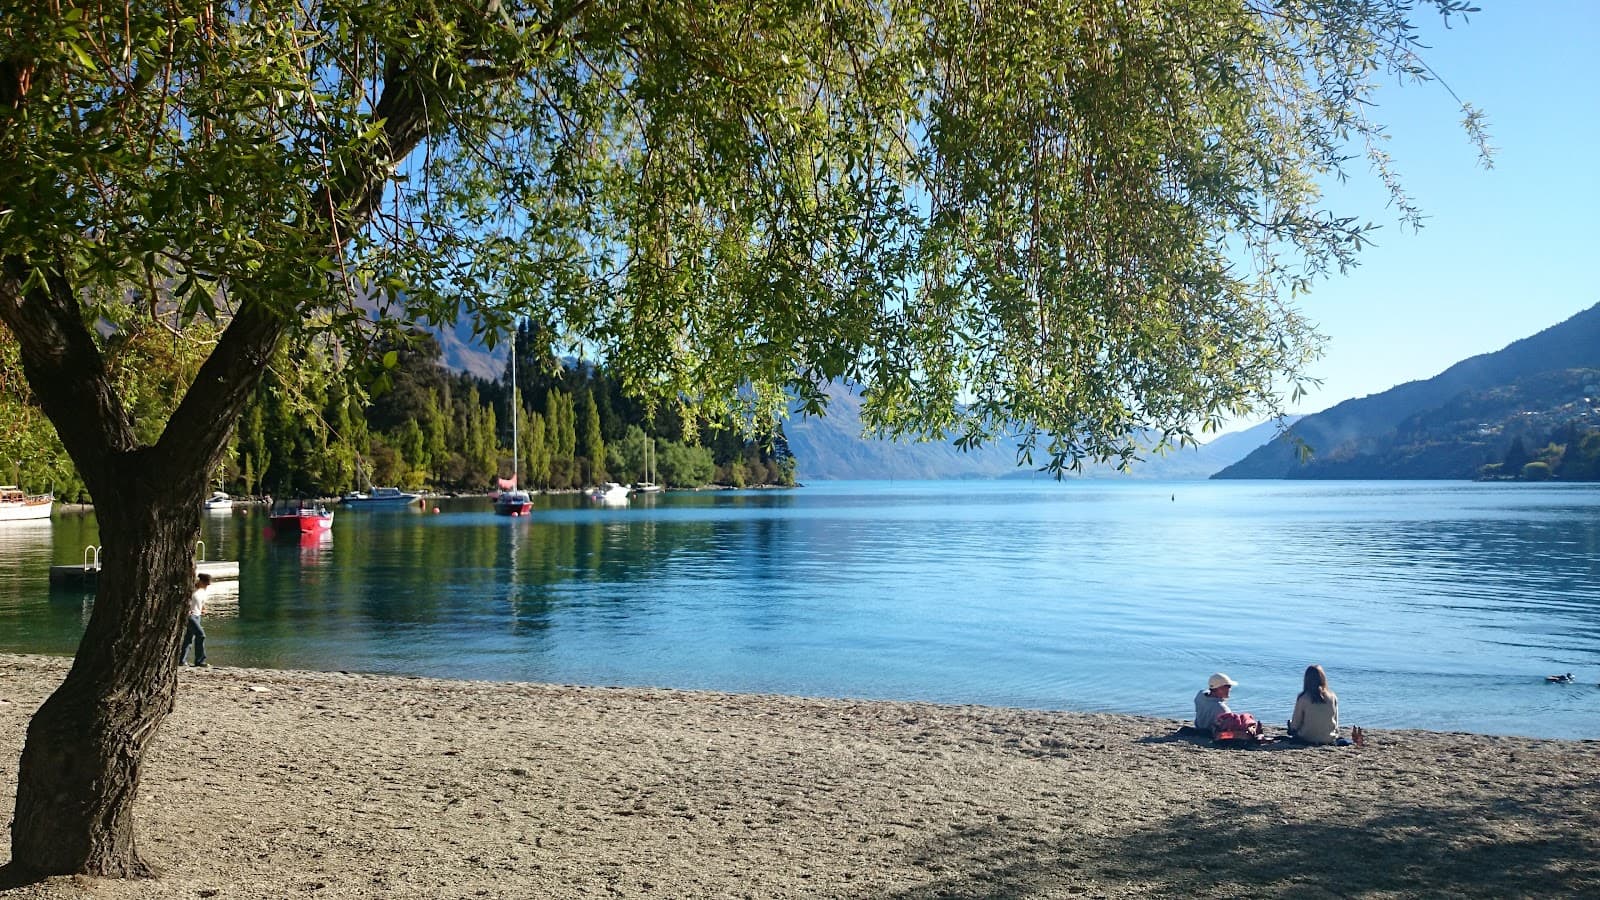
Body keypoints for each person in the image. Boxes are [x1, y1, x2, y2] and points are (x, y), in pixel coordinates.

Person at [1289, 664, 1341, 745]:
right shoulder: (1332, 696)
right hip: (1328, 738)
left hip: (1307, 737)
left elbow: (1296, 723)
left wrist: (1291, 727)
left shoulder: (1303, 697)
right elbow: (1336, 721)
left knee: (1292, 727)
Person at [179, 573, 211, 667]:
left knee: (188, 638)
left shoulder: (203, 591)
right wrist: (186, 610)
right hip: (190, 616)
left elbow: (201, 602)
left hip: (198, 616)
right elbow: (184, 600)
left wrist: (203, 609)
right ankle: (200, 660)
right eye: (205, 583)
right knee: (201, 635)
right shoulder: (191, 590)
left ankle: (182, 660)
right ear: (200, 581)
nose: (207, 586)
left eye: (208, 584)